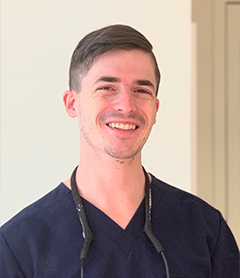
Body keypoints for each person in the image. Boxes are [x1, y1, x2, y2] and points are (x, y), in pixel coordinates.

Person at [0, 24, 239, 278]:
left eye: (141, 90)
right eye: (107, 88)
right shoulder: (19, 245)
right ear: (72, 103)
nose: (126, 105)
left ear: (155, 109)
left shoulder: (206, 230)